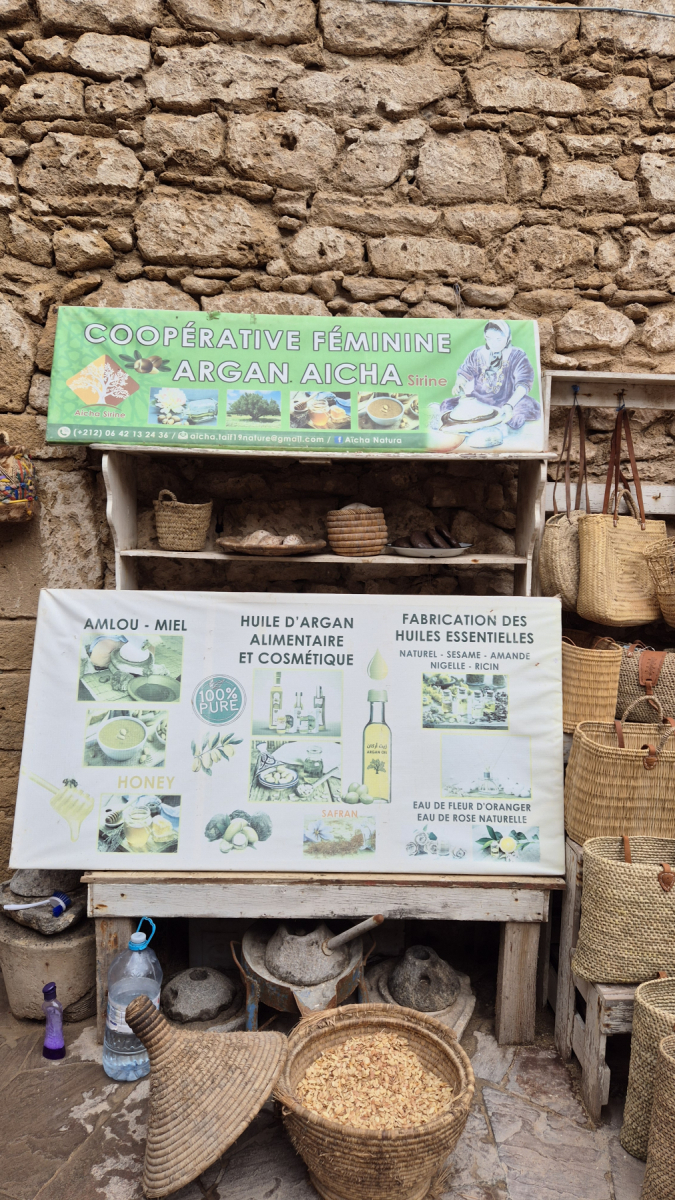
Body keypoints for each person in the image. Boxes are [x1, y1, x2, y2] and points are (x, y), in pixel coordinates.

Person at [440, 321, 539, 448]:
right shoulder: (477, 353)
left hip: (507, 400)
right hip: (479, 401)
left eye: (499, 339)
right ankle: (477, 427)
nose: (493, 343)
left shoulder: (517, 355)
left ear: (508, 338)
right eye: (489, 338)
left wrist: (510, 405)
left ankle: (493, 430)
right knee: (448, 405)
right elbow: (465, 371)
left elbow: (523, 383)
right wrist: (459, 382)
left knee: (519, 412)